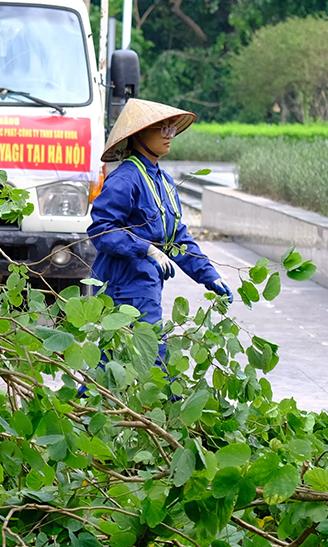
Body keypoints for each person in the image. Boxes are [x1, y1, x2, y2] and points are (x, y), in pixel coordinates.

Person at [89, 98, 231, 359]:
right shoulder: (125, 179)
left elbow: (178, 237)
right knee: (150, 366)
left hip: (147, 289)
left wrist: (208, 274)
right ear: (139, 133)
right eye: (162, 129)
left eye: (172, 129)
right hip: (123, 291)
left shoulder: (163, 181)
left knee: (120, 368)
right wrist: (146, 250)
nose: (169, 135)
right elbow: (101, 230)